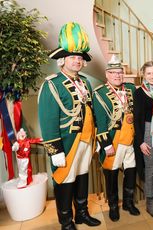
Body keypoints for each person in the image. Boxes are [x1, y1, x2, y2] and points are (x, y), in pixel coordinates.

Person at [38, 22, 101, 229]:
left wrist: (95, 138)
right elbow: (48, 120)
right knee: (65, 180)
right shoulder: (52, 84)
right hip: (66, 143)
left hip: (85, 141)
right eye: (73, 57)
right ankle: (66, 221)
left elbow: (91, 112)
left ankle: (81, 213)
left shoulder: (85, 82)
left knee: (82, 177)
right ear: (62, 60)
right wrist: (54, 150)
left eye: (80, 57)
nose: (77, 60)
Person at [92, 55, 140, 222]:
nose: (117, 76)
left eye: (120, 73)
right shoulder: (99, 93)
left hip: (130, 140)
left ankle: (128, 202)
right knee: (111, 177)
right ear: (107, 74)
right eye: (113, 73)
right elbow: (100, 121)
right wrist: (106, 145)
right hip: (114, 141)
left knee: (131, 173)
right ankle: (113, 206)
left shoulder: (131, 89)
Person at [133, 61, 153, 218]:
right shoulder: (139, 93)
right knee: (150, 168)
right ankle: (150, 200)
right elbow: (137, 120)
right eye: (148, 73)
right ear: (143, 75)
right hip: (146, 131)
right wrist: (141, 142)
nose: (152, 76)